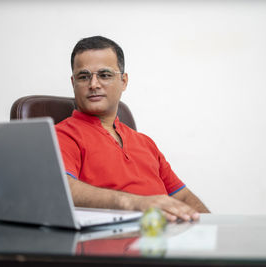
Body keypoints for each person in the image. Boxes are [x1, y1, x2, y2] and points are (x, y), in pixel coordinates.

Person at [55, 36, 209, 222]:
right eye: (84, 76)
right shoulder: (63, 135)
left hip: (165, 240)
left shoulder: (145, 143)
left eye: (104, 75)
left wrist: (215, 230)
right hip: (111, 242)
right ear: (73, 83)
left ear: (124, 81)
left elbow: (183, 197)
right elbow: (61, 188)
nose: (93, 84)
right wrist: (135, 204)